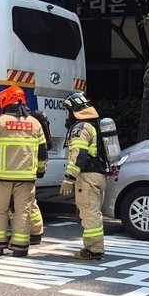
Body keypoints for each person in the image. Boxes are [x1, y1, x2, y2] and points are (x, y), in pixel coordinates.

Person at [0, 85, 47, 257]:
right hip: (26, 177)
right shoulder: (35, 123)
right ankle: (20, 248)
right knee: (23, 212)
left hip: (2, 177)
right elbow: (43, 151)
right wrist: (40, 171)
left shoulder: (0, 121)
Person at [61, 92, 108, 260]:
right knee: (94, 212)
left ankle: (94, 250)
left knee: (89, 214)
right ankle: (94, 247)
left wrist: (69, 178)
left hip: (87, 177)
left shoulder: (81, 128)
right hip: (99, 175)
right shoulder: (95, 124)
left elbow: (79, 155)